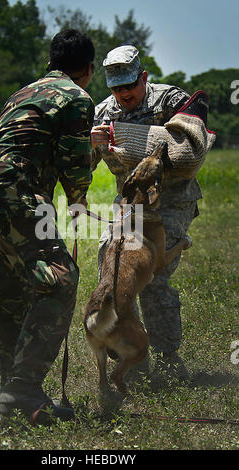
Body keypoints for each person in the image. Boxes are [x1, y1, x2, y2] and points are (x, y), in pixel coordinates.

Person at [0, 29, 95, 423]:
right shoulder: (76, 97)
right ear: (88, 69)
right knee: (60, 280)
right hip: (17, 196)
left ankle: (14, 397)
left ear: (50, 63)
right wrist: (78, 200)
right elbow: (75, 162)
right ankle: (22, 390)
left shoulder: (23, 92)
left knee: (13, 296)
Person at [91, 45, 211, 383]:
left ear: (143, 77)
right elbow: (81, 164)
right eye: (117, 88)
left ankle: (169, 359)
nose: (124, 94)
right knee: (111, 266)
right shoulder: (101, 113)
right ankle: (131, 352)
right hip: (131, 202)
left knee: (155, 276)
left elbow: (189, 154)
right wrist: (91, 145)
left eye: (131, 85)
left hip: (173, 202)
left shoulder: (171, 101)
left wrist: (130, 139)